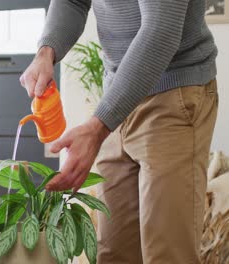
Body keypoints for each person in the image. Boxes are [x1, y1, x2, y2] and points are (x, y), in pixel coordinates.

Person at [19, 0, 219, 263]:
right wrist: (45, 53)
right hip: (117, 94)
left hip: (173, 95)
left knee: (167, 252)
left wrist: (96, 128)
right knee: (114, 252)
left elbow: (161, 30)